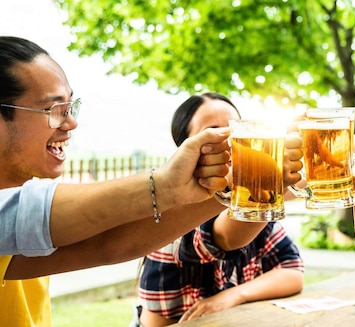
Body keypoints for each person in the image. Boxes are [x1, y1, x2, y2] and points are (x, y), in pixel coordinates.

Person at [0, 36, 304, 327]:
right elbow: (35, 213)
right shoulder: (17, 217)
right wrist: (170, 185)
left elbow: (109, 243)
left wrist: (254, 178)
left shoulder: (18, 241)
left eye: (71, 107)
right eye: (53, 109)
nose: (71, 123)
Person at [137, 93, 305, 326]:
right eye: (213, 132)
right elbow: (224, 237)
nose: (229, 140)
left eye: (234, 129)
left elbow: (291, 271)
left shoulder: (246, 201)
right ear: (184, 151)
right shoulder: (172, 214)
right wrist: (267, 179)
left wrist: (235, 295)